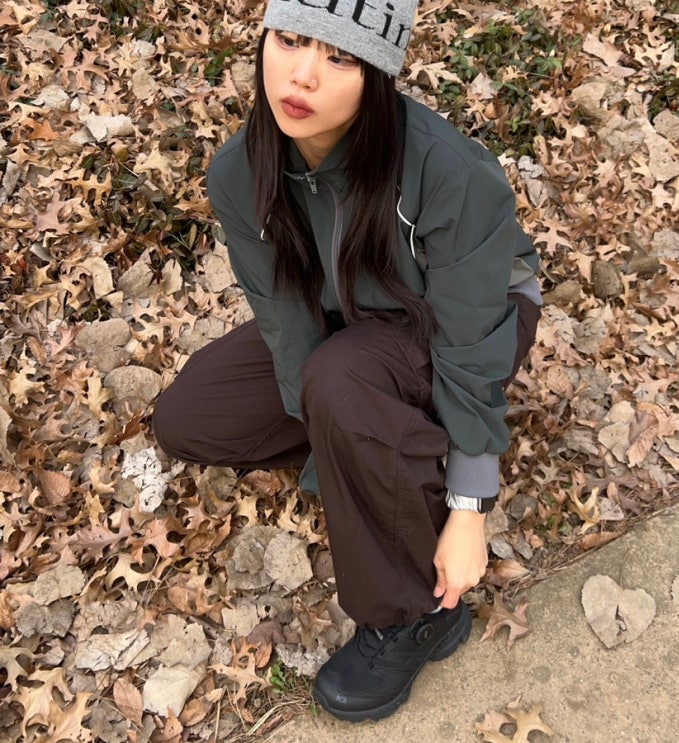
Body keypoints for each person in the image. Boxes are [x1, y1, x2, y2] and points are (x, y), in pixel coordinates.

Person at [152, 0, 542, 723]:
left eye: (339, 57)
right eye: (289, 40)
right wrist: (334, 451)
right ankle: (374, 438)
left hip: (466, 319)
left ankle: (415, 614)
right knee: (188, 417)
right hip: (348, 322)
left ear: (377, 74)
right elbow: (284, 318)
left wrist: (468, 505)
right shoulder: (242, 171)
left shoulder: (445, 171)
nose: (302, 75)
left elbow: (470, 342)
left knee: (343, 379)